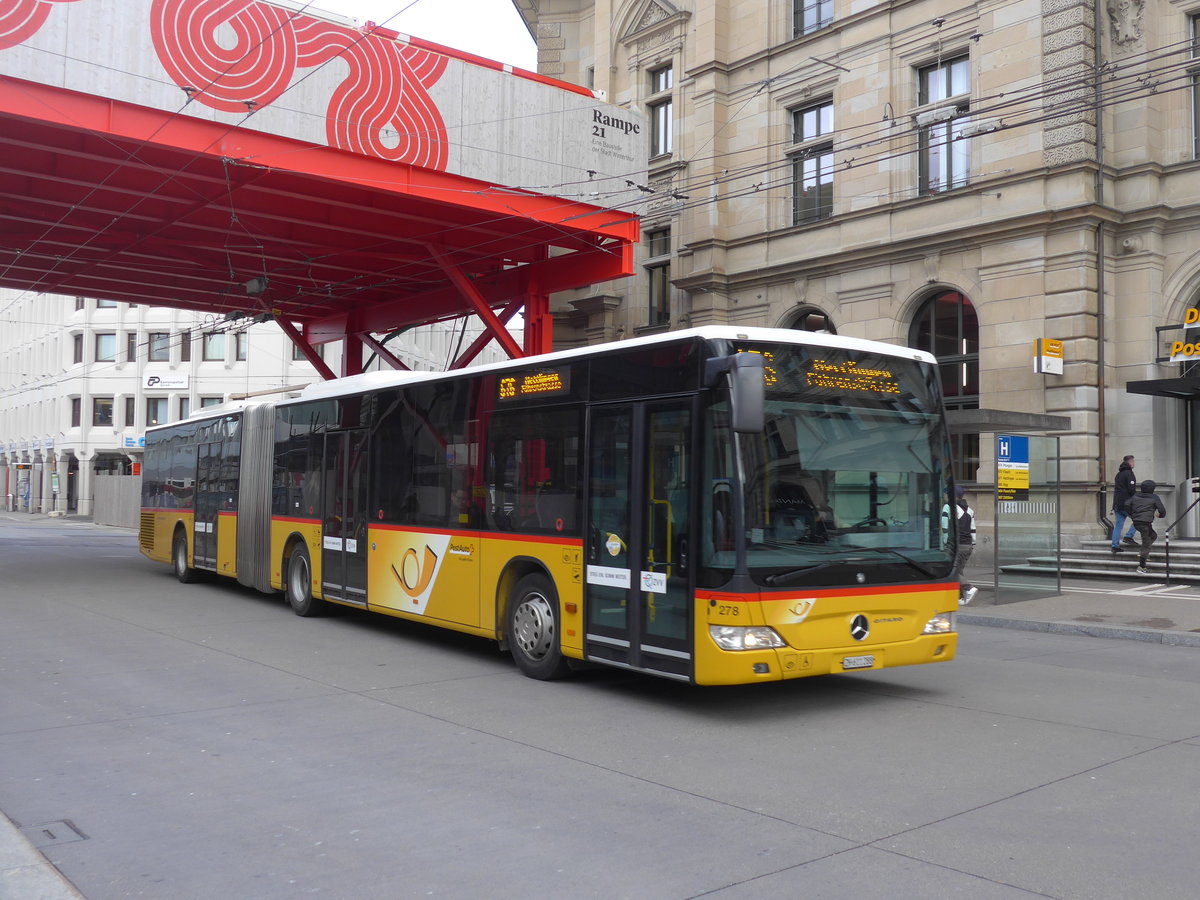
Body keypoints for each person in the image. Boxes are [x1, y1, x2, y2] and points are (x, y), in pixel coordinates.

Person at [941, 485, 977, 605]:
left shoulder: (948, 507)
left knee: (952, 569)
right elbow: (973, 530)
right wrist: (973, 544)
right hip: (967, 546)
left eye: (946, 493)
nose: (945, 496)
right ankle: (960, 597)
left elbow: (945, 528)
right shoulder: (969, 510)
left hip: (955, 545)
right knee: (959, 570)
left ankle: (968, 587)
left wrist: (945, 544)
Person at [1126, 479, 1166, 574]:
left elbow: (1127, 504)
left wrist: (1132, 514)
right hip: (1145, 523)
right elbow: (1162, 510)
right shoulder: (1154, 497)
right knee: (1146, 544)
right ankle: (1141, 566)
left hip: (1137, 522)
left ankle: (1143, 553)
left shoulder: (1136, 496)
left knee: (1153, 536)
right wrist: (1160, 515)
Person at [1110, 455, 1138, 553]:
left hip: (1117, 503)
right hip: (1126, 503)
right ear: (1130, 462)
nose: (1134, 463)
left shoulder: (1118, 474)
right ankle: (1128, 536)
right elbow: (1131, 489)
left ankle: (1115, 546)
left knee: (1118, 525)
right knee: (1138, 519)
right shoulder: (1129, 473)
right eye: (1134, 461)